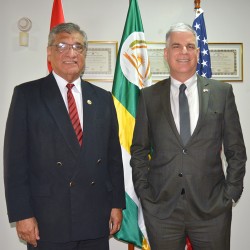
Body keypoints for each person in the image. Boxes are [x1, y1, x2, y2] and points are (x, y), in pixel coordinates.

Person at [4, 22, 125, 250]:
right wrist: (22, 214)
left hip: (94, 216)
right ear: (49, 52)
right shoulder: (27, 95)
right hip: (48, 219)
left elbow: (113, 158)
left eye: (78, 47)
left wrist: (116, 204)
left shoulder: (102, 98)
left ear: (85, 54)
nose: (71, 53)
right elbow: (15, 162)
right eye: (62, 45)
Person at [130, 22, 246, 250]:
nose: (184, 52)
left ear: (198, 52)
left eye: (190, 46)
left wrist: (230, 193)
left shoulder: (222, 93)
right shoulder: (148, 96)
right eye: (176, 46)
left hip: (212, 210)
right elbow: (139, 150)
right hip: (162, 210)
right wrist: (144, 192)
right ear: (166, 53)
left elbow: (236, 150)